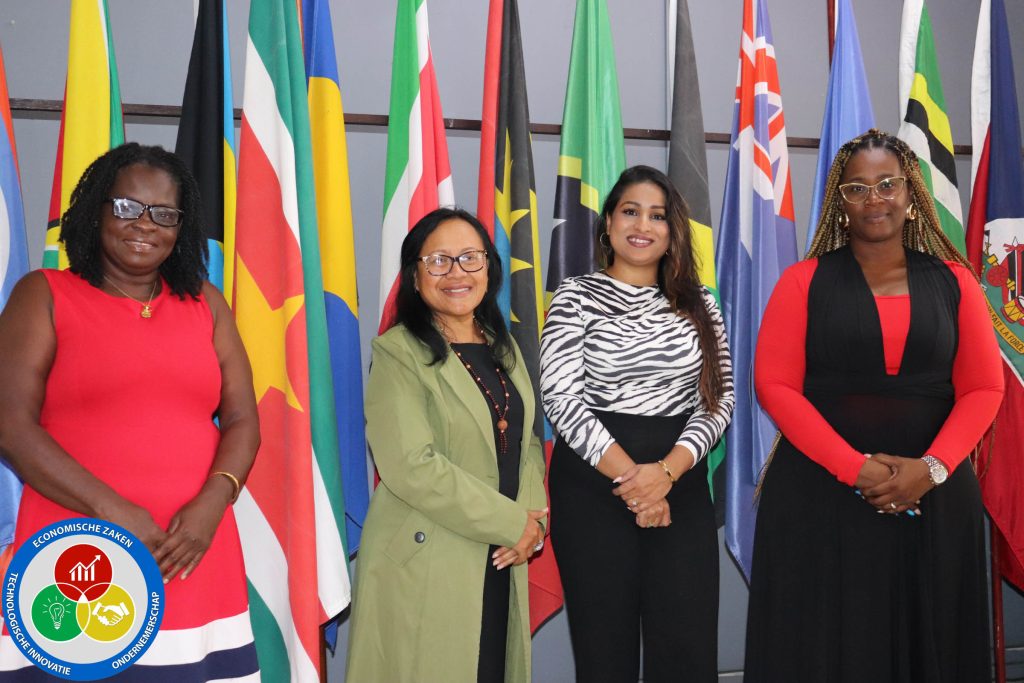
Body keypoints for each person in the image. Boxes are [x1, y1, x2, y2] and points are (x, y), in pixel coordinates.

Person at [744, 129, 1004, 682]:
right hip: (820, 496)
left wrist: (931, 470)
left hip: (935, 497)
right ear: (840, 203)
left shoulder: (957, 282)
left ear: (911, 194)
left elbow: (985, 389)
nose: (874, 198)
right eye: (857, 188)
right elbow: (775, 386)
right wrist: (855, 468)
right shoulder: (802, 282)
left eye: (888, 184)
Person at [0, 143, 260, 680]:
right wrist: (113, 511)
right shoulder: (44, 294)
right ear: (96, 211)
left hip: (190, 550)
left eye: (164, 213)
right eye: (127, 207)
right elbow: (9, 425)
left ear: (181, 228)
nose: (145, 224)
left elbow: (242, 421)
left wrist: (213, 502)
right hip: (75, 548)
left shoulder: (207, 303)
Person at [540, 165, 734, 683]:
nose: (643, 225)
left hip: (680, 485)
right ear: (607, 223)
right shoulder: (574, 297)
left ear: (673, 231)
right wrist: (638, 485)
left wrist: (664, 475)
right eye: (630, 211)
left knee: (687, 650)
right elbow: (561, 399)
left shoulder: (701, 303)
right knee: (604, 655)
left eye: (658, 215)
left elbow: (719, 400)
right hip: (594, 489)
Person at [345, 208, 547, 683]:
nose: (457, 273)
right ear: (415, 277)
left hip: (501, 554)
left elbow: (528, 444)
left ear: (489, 269)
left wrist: (533, 524)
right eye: (438, 261)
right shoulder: (397, 352)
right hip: (430, 557)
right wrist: (511, 523)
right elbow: (412, 466)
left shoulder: (503, 346)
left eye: (470, 258)